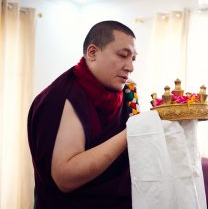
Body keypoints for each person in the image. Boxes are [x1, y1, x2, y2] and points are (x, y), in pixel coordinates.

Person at [27, 20, 137, 209]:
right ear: (92, 53)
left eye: (133, 59)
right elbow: (65, 178)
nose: (130, 67)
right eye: (122, 55)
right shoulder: (63, 96)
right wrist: (132, 132)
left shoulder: (126, 94)